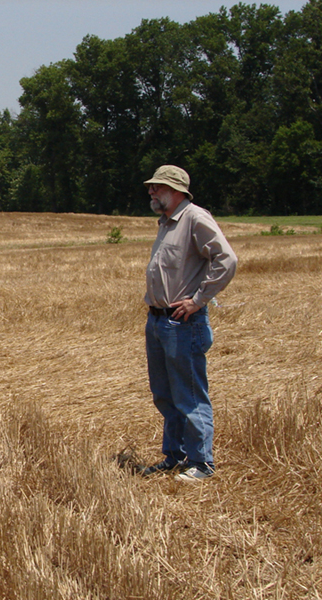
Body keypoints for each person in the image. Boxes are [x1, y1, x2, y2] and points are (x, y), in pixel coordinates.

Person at [141, 165, 237, 482]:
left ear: (178, 190)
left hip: (183, 323)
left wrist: (198, 300)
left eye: (158, 187)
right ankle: (176, 456)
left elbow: (226, 260)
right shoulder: (167, 222)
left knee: (190, 394)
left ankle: (202, 462)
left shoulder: (195, 217)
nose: (152, 191)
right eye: (152, 187)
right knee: (165, 395)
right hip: (158, 322)